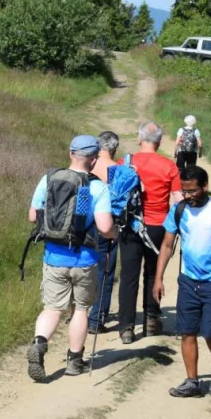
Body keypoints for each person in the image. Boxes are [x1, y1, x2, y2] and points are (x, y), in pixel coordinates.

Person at [26, 135, 115, 381]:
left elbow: (33, 216)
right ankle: (75, 361)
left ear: (70, 154)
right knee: (81, 309)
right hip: (85, 259)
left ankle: (39, 343)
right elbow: (105, 227)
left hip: (54, 256)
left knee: (52, 308)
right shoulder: (98, 187)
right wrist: (115, 234)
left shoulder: (49, 179)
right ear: (94, 159)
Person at [153, 165, 211, 398]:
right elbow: (167, 245)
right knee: (187, 332)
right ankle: (192, 381)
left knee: (210, 331)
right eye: (184, 191)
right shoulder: (179, 210)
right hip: (189, 281)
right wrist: (158, 278)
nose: (188, 195)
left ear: (205, 187)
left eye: (192, 191)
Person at [117, 121, 183, 344]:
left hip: (130, 224)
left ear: (139, 139)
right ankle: (151, 321)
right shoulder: (169, 166)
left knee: (128, 275)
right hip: (158, 226)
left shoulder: (125, 163)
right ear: (160, 142)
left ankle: (126, 327)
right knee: (154, 273)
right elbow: (178, 200)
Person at [88, 130, 122, 334]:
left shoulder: (88, 165)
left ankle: (78, 313)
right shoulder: (116, 170)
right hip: (106, 225)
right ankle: (96, 318)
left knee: (83, 269)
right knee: (105, 271)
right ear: (114, 148)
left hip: (83, 225)